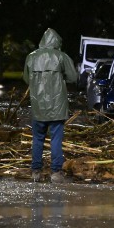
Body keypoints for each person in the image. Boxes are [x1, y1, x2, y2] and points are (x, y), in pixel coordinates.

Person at [23, 28, 78, 183]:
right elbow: (73, 77)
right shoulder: (61, 56)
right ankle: (56, 173)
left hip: (38, 105)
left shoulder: (31, 57)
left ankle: (36, 171)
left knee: (37, 139)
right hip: (57, 106)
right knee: (55, 140)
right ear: (57, 42)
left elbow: (26, 79)